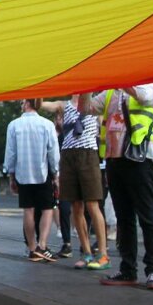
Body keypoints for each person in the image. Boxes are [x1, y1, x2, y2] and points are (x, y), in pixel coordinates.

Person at [84, 83, 153, 290]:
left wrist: (124, 80)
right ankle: (128, 270)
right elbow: (86, 108)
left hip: (140, 159)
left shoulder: (151, 83)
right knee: (124, 218)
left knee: (148, 216)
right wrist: (85, 85)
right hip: (114, 158)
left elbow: (145, 97)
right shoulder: (110, 92)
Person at [41, 95, 109, 270]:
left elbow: (104, 128)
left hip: (88, 154)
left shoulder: (94, 104)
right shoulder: (63, 105)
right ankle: (86, 253)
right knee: (76, 207)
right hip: (69, 155)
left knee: (93, 205)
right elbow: (42, 104)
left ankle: (102, 254)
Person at [5, 99, 60, 262]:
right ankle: (42, 245)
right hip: (43, 173)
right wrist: (55, 173)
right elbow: (53, 152)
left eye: (22, 102)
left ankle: (31, 247)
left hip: (23, 174)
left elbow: (11, 153)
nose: (21, 104)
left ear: (27, 104)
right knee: (47, 209)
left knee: (28, 210)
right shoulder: (47, 124)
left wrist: (11, 175)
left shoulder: (13, 125)